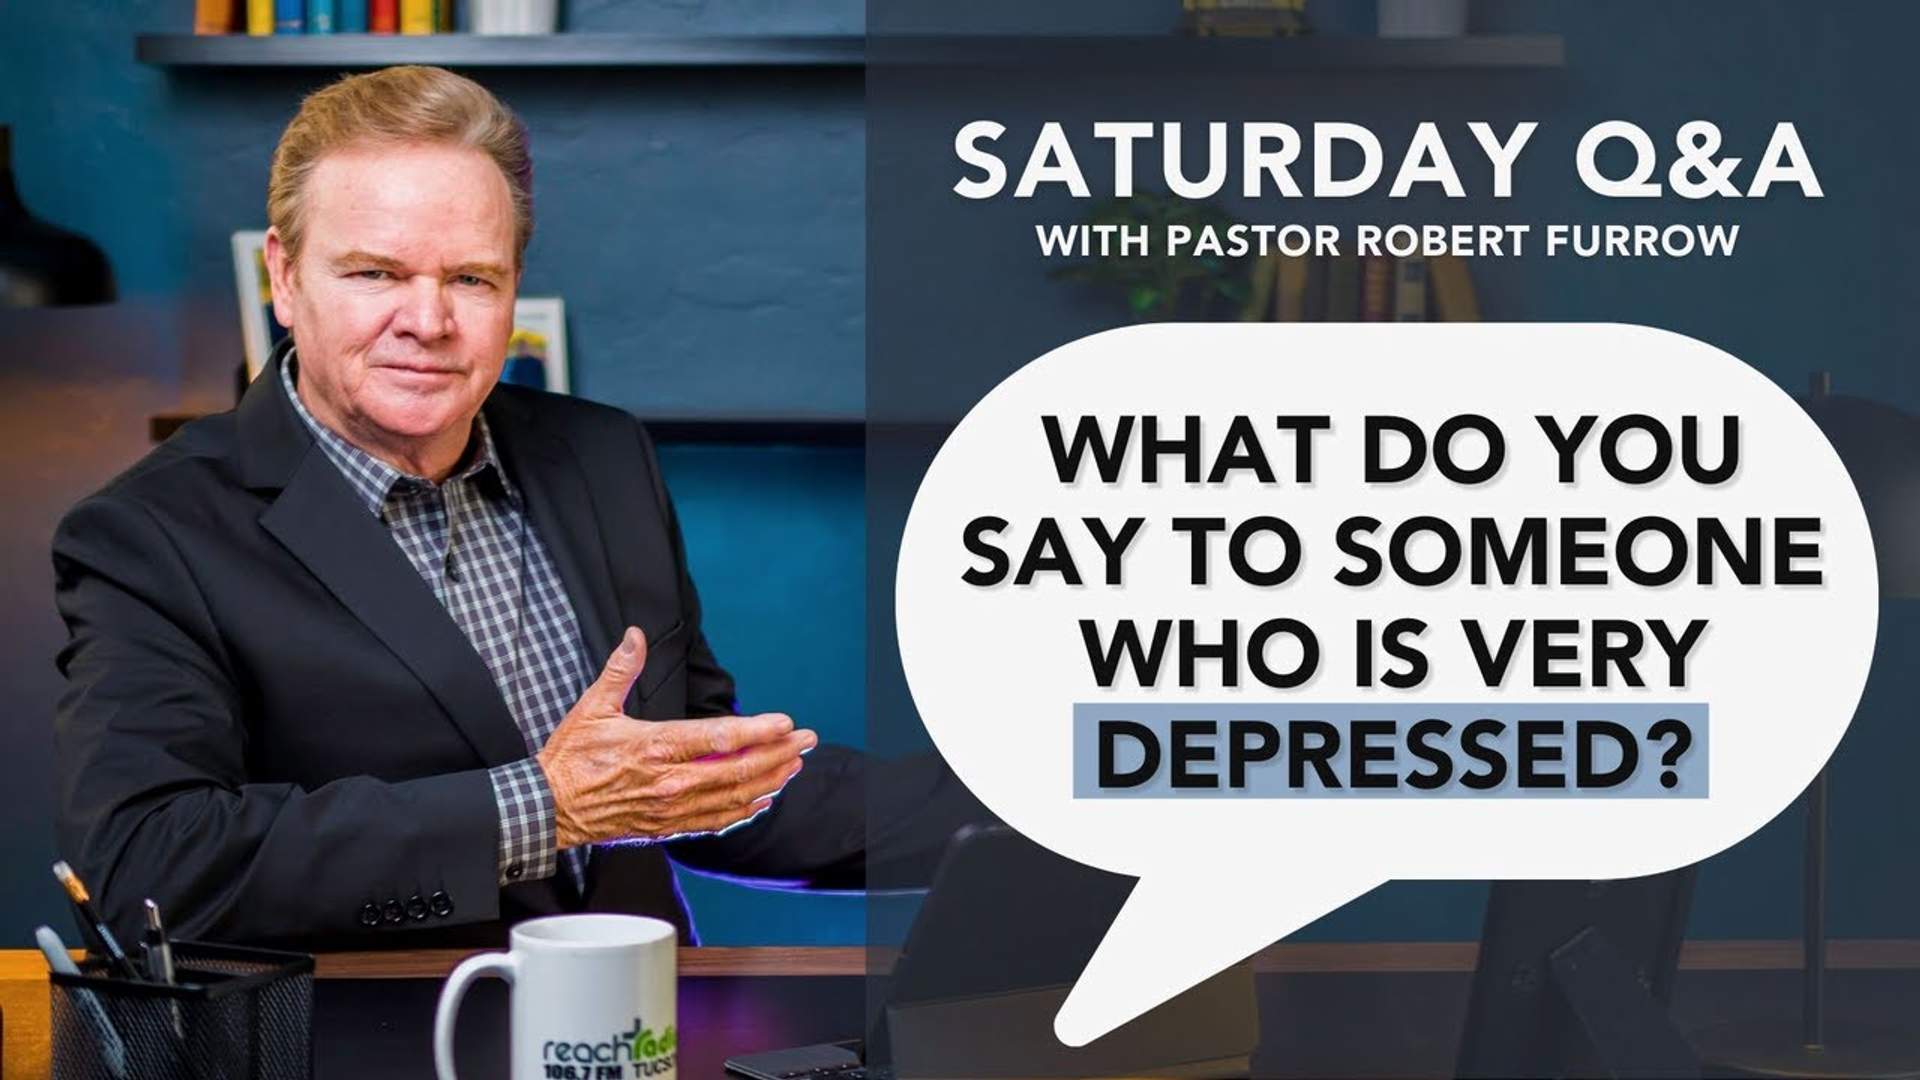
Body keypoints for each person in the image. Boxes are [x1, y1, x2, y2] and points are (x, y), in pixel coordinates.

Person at [50, 65, 957, 950]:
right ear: (284, 281)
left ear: (514, 287)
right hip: (373, 1045)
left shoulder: (600, 456)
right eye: (375, 274)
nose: (428, 321)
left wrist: (1054, 804)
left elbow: (695, 782)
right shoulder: (147, 534)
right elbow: (152, 866)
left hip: (644, 1035)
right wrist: (544, 808)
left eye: (472, 280)